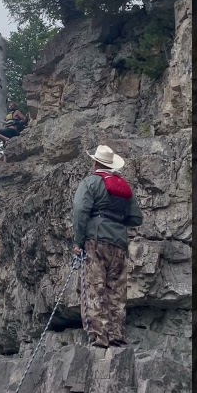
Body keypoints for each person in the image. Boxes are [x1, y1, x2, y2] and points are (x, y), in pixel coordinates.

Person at [70, 144, 142, 348]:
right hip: (119, 243)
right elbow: (136, 218)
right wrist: (116, 222)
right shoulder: (124, 187)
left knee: (95, 287)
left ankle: (99, 336)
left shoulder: (91, 182)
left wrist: (78, 241)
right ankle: (117, 335)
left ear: (95, 162)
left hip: (95, 240)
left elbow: (80, 210)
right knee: (116, 290)